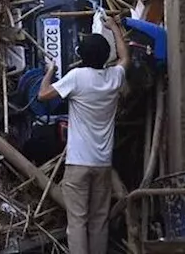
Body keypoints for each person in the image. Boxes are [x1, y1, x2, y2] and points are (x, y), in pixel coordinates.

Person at [38, 15, 132, 254]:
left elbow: (44, 95)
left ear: (82, 57)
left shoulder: (77, 78)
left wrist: (50, 70)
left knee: (77, 221)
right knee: (98, 221)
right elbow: (125, 57)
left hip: (78, 163)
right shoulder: (114, 78)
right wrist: (114, 27)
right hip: (102, 164)